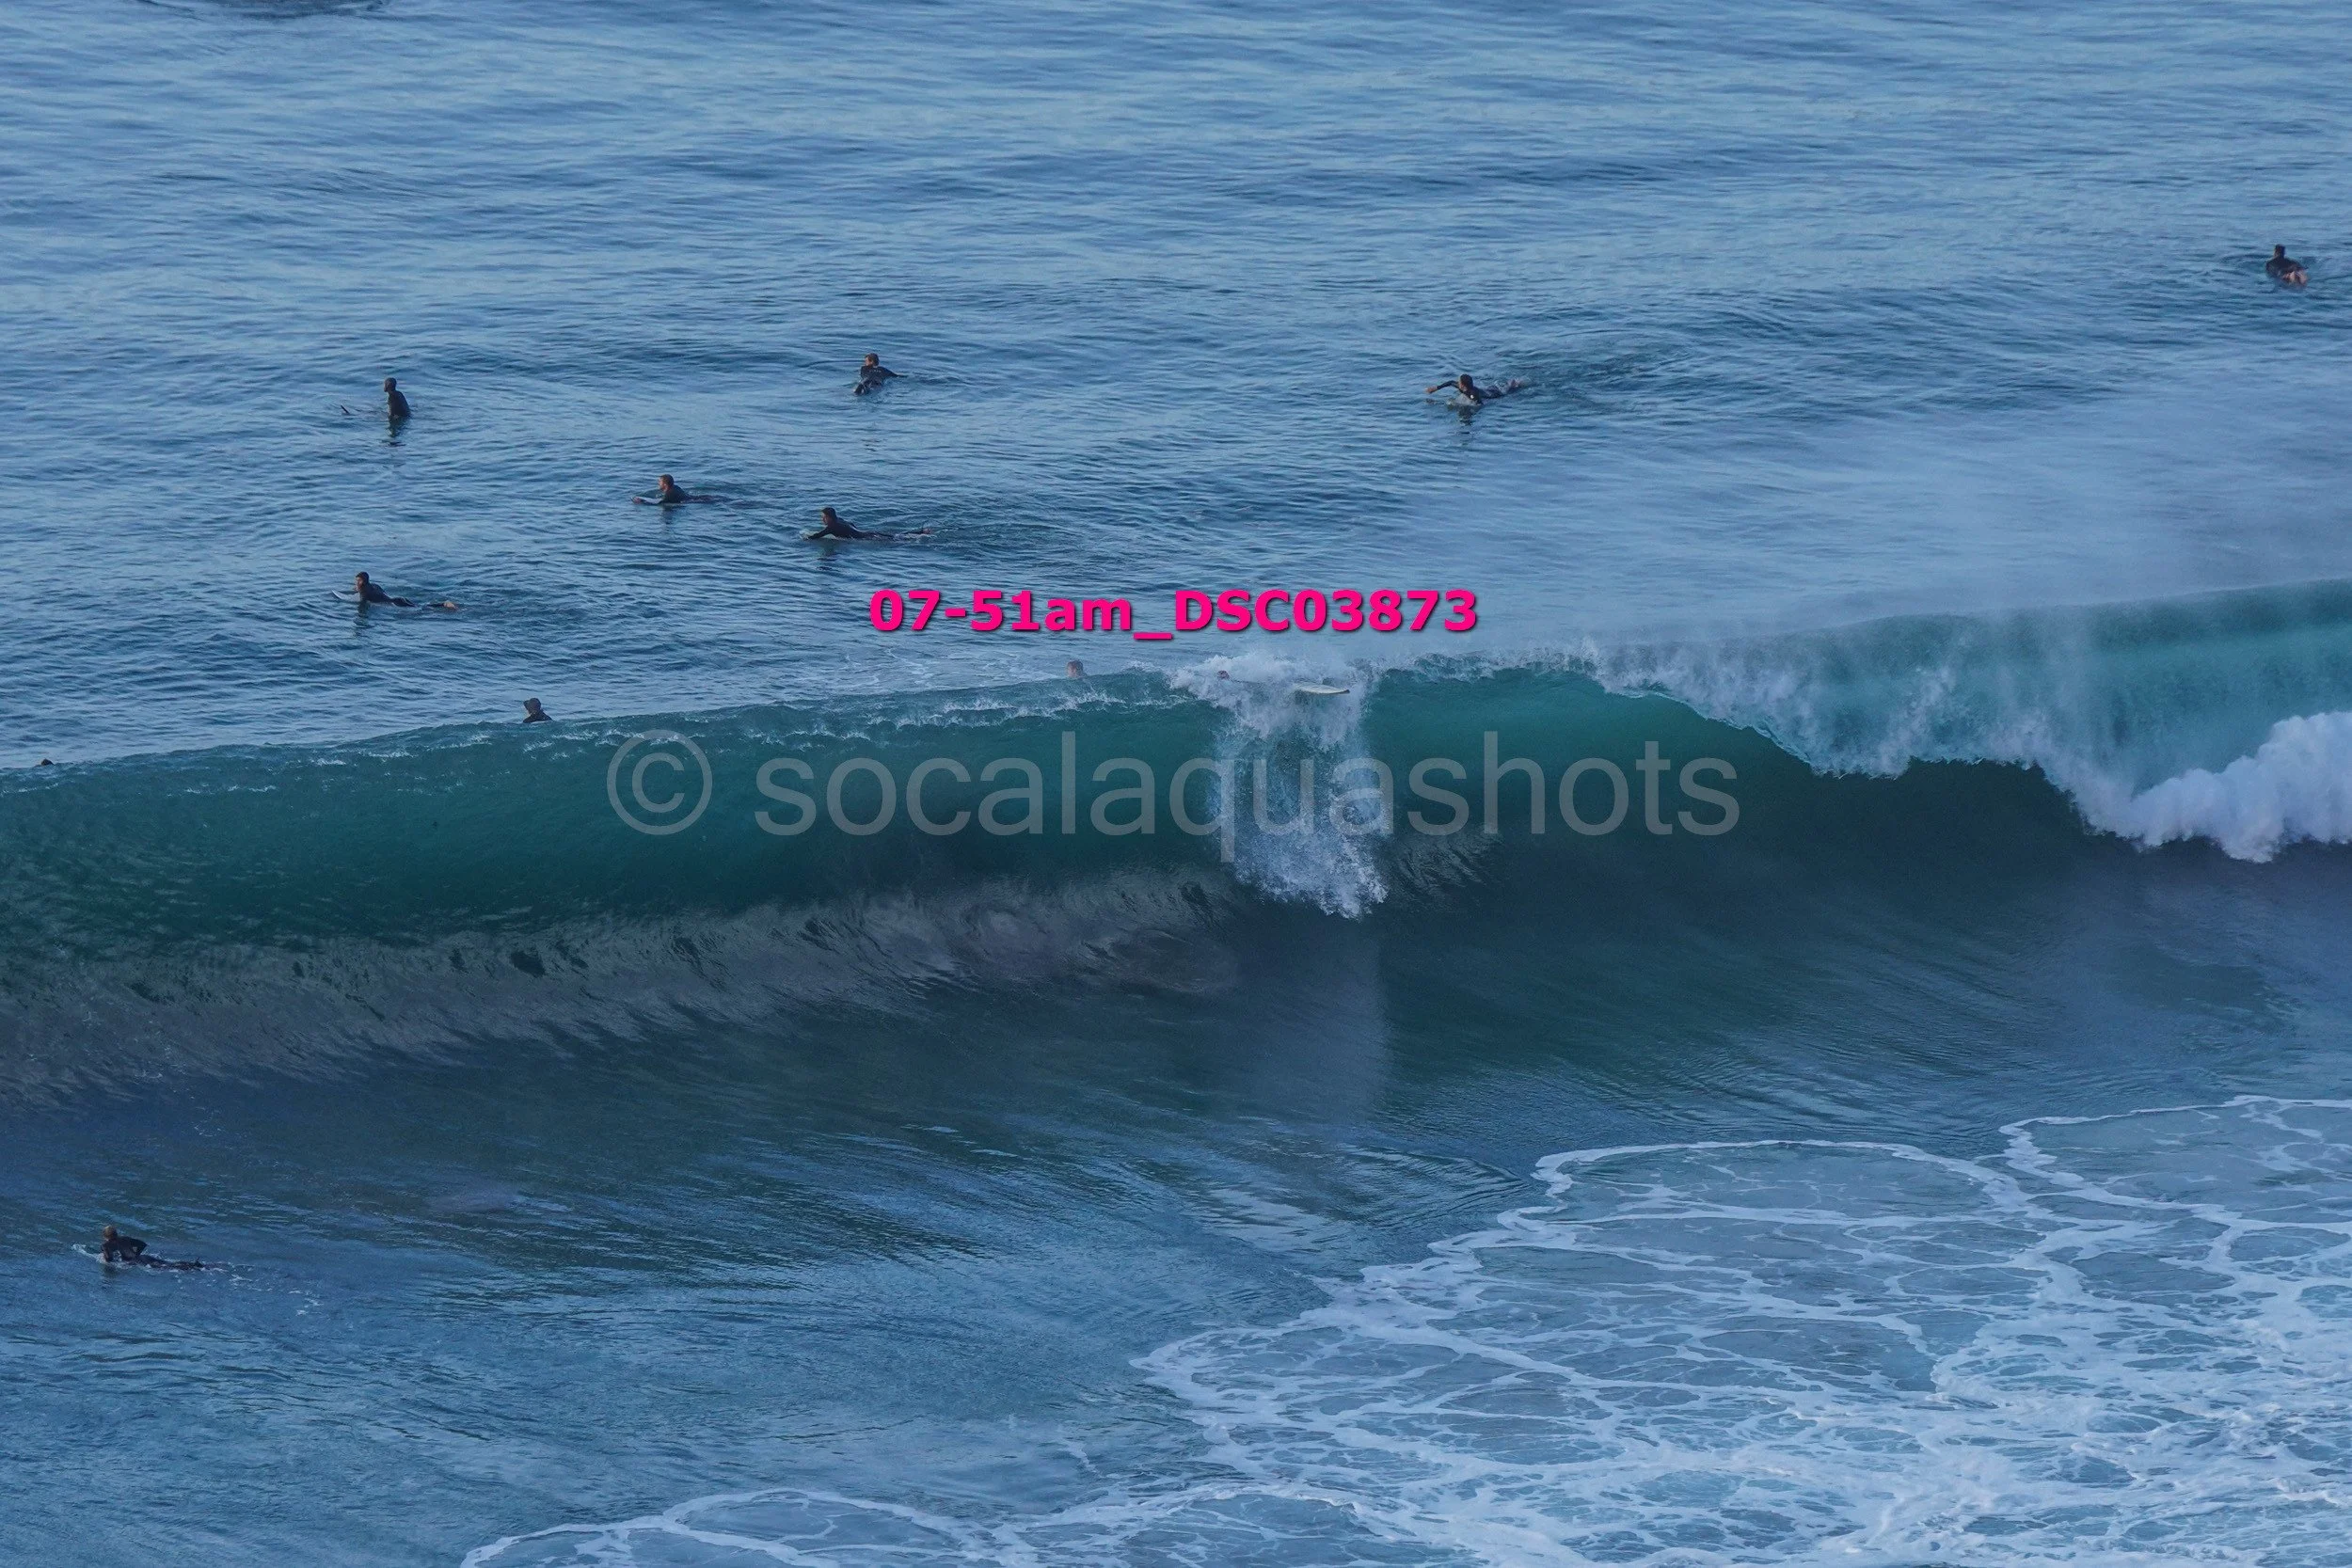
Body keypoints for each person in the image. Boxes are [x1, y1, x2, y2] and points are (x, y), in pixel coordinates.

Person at [100, 1225, 203, 1270]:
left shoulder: (105, 1245)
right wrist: (136, 1255)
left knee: (165, 1268)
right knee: (168, 1264)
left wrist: (106, 1258)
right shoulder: (125, 1238)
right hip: (144, 1257)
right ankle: (192, 1264)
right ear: (116, 1233)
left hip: (136, 1262)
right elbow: (142, 1244)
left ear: (105, 1237)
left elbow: (109, 1259)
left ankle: (191, 1266)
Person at [352, 571, 458, 610]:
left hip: (395, 603)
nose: (357, 583)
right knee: (420, 606)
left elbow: (363, 604)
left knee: (421, 609)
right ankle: (444, 604)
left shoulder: (365, 592)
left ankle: (444, 605)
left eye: (359, 581)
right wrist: (359, 589)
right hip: (399, 599)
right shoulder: (374, 585)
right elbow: (379, 592)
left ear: (364, 581)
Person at [1425, 372, 1522, 406]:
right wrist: (1436, 388)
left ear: (1463, 385)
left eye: (1459, 381)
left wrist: (1474, 403)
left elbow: (1479, 403)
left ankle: (1513, 384)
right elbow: (1450, 382)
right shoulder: (1462, 387)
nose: (1457, 382)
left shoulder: (1472, 393)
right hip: (1486, 390)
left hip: (1494, 394)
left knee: (1508, 390)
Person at [807, 505, 881, 541]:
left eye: (823, 517)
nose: (822, 519)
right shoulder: (839, 519)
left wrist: (805, 539)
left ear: (828, 517)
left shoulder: (831, 527)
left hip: (865, 538)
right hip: (869, 533)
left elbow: (816, 536)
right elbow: (851, 524)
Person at [635, 474, 707, 506]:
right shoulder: (675, 487)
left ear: (665, 484)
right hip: (696, 498)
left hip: (696, 501)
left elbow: (660, 503)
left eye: (660, 482)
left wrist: (642, 501)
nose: (658, 483)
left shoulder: (669, 494)